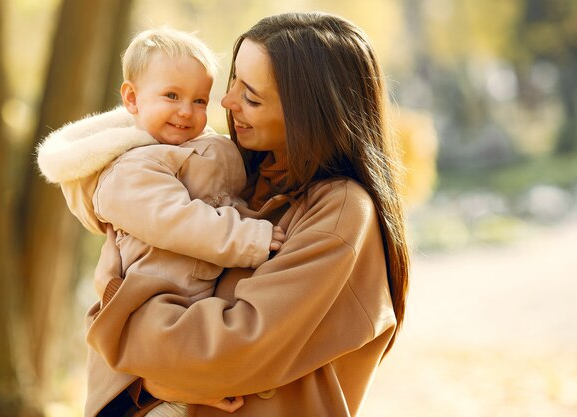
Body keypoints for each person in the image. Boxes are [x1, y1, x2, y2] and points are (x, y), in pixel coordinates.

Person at [67, 11, 410, 416]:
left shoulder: (339, 213)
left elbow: (232, 349)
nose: (226, 102)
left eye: (251, 96)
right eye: (232, 82)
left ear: (307, 114)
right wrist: (145, 380)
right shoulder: (237, 178)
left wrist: (119, 312)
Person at [37, 27, 286, 416]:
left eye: (199, 99)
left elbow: (224, 200)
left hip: (182, 312)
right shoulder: (130, 167)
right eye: (171, 96)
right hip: (152, 316)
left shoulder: (184, 151)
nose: (187, 111)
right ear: (132, 98)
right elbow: (177, 221)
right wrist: (250, 238)